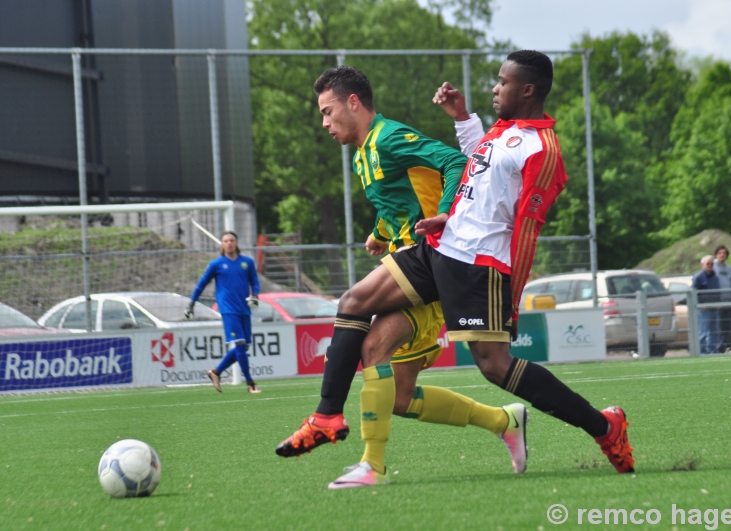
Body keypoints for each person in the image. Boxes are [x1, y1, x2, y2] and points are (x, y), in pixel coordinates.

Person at [276, 51, 634, 487]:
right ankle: (327, 417)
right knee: (354, 302)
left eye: (502, 82)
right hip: (440, 243)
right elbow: (474, 169)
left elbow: (525, 230)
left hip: (477, 263)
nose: (494, 88)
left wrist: (511, 298)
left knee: (494, 365)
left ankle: (604, 426)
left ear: (527, 90)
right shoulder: (500, 132)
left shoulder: (544, 149)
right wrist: (463, 124)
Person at [276, 66, 529, 488]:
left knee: (363, 327)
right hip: (406, 264)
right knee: (399, 395)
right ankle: (503, 421)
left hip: (430, 267)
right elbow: (398, 200)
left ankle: (357, 451)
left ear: (353, 102)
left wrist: (443, 216)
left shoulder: (389, 137)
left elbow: (453, 161)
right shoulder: (362, 153)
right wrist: (379, 234)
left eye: (327, 111)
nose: (324, 122)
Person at [185, 231, 262, 393]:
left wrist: (255, 295)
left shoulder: (247, 262)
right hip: (228, 310)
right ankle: (250, 383)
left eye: (232, 240)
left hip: (245, 309)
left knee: (245, 347)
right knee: (240, 345)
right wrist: (191, 303)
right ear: (222, 244)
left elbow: (255, 281)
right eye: (226, 240)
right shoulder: (216, 264)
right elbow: (201, 284)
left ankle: (216, 372)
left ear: (237, 243)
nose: (229, 243)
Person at [693, 255, 721, 355]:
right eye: (707, 264)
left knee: (714, 331)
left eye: (711, 264)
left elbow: (718, 291)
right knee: (702, 332)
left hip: (714, 308)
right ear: (703, 265)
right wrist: (700, 304)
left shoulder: (715, 276)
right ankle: (702, 351)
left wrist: (718, 302)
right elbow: (694, 292)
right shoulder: (698, 277)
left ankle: (712, 350)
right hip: (704, 309)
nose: (710, 265)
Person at [713, 245, 731, 352]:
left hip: (729, 303)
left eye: (724, 253)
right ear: (716, 254)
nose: (722, 255)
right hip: (718, 303)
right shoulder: (712, 267)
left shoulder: (729, 268)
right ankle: (717, 347)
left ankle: (723, 346)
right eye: (720, 253)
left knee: (727, 327)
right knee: (718, 327)